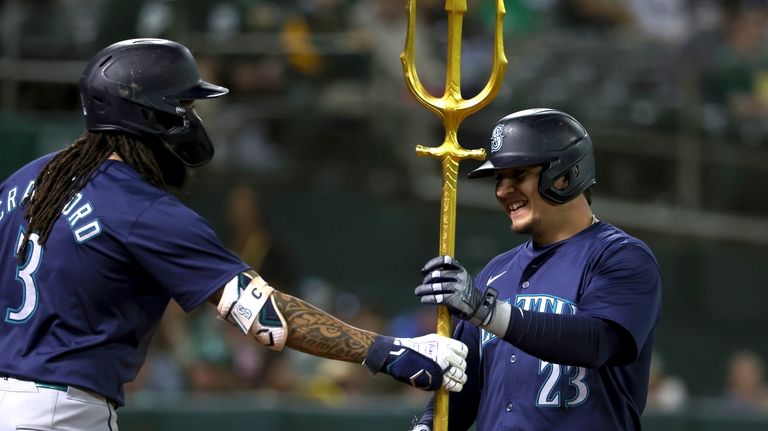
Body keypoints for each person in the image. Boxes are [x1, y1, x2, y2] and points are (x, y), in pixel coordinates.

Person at [0, 38, 468, 431]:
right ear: (151, 116)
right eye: (183, 105)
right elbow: (267, 317)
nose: (192, 119)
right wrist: (387, 350)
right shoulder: (144, 210)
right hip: (60, 413)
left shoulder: (23, 182)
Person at [410, 108, 662, 430]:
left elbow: (597, 342)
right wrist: (427, 426)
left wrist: (486, 311)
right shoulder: (495, 272)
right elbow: (463, 385)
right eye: (499, 179)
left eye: (518, 175)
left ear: (565, 175)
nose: (502, 191)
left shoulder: (620, 256)